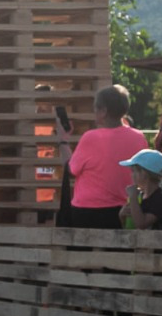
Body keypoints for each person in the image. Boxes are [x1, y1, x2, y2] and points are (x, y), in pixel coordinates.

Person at [57, 85, 146, 230]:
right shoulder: (139, 137)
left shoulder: (91, 138)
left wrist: (63, 140)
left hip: (89, 211)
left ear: (103, 111)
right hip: (127, 209)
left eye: (95, 108)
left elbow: (71, 170)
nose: (94, 112)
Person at [119, 149, 162, 231]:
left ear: (144, 173)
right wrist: (122, 216)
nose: (131, 175)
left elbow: (142, 224)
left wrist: (133, 197)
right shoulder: (140, 196)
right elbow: (131, 229)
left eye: (133, 171)